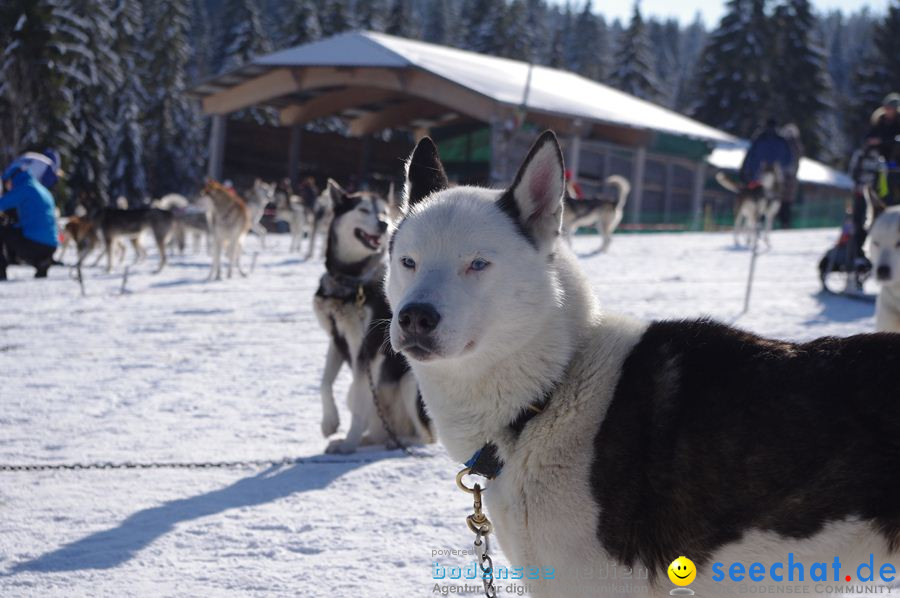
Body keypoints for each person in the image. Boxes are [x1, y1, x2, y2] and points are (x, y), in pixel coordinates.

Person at [0, 165, 59, 280]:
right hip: (51, 245)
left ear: (12, 178)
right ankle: (41, 261)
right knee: (13, 230)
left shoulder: (23, 188)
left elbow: (2, 203)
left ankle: (0, 270)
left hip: (34, 244)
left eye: (6, 183)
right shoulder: (41, 188)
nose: (7, 187)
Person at [739, 118, 794, 188]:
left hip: (757, 178)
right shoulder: (782, 141)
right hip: (777, 178)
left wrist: (745, 172)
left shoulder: (759, 139)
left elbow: (749, 158)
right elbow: (788, 161)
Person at [778, 123, 804, 229]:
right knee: (786, 203)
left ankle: (784, 223)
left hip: (783, 178)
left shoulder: (782, 143)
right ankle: (785, 223)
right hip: (790, 178)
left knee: (781, 201)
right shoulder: (797, 145)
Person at [865, 93, 900, 162]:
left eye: (889, 108)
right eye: (885, 107)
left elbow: (897, 138)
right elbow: (869, 134)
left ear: (895, 109)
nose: (886, 110)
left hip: (894, 156)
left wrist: (881, 140)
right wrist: (871, 140)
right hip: (879, 153)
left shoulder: (898, 122)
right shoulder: (879, 120)